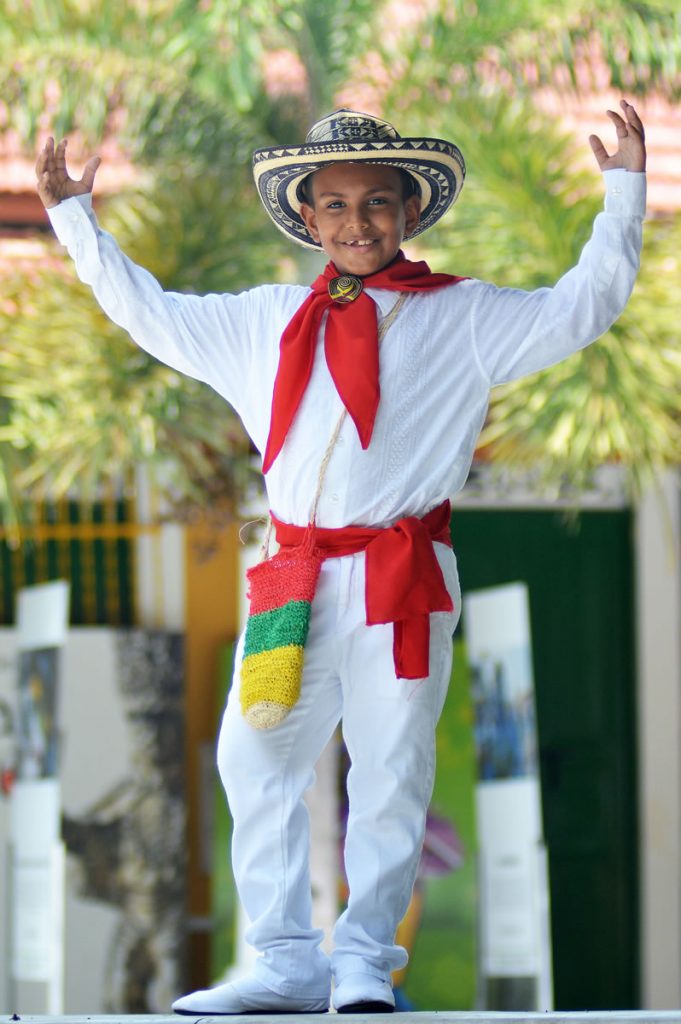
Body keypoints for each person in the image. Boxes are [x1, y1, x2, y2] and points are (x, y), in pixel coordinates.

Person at [36, 102, 646, 1015]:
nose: (358, 222)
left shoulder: (465, 317)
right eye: (336, 205)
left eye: (377, 202)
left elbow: (583, 307)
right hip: (291, 576)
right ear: (308, 219)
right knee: (255, 756)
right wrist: (72, 220)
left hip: (400, 576)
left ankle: (364, 964)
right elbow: (148, 313)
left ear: (409, 212)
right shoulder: (262, 322)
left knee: (391, 767)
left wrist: (624, 195)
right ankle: (284, 961)